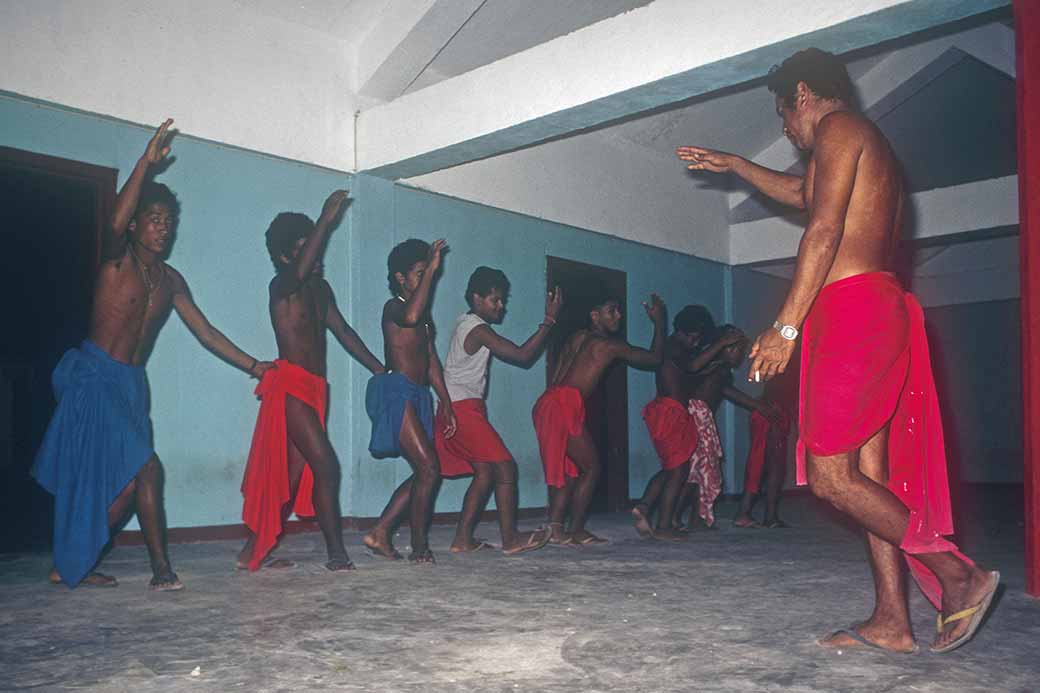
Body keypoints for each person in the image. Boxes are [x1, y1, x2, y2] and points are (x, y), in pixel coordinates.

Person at [677, 47, 998, 654]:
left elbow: (822, 229)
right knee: (867, 475)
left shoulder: (840, 127)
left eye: (782, 117)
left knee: (829, 476)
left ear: (801, 94)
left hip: (854, 309)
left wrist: (786, 326)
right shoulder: (853, 143)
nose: (788, 132)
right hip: (868, 308)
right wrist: (738, 166)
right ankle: (892, 621)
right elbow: (804, 194)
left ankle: (961, 576)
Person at [33, 119, 273, 590]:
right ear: (138, 223)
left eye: (170, 222)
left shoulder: (171, 281)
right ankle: (162, 569)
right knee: (149, 467)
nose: (164, 229)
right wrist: (145, 165)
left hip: (129, 387)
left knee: (125, 488)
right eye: (156, 219)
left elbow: (205, 332)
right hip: (93, 378)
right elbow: (113, 223)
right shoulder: (115, 261)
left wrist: (254, 364)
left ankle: (70, 563)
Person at [237, 191, 385, 572]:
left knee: (289, 475)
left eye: (316, 249)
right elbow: (299, 271)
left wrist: (379, 368)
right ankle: (336, 553)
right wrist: (325, 221)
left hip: (317, 390)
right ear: (286, 257)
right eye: (305, 250)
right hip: (290, 388)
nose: (315, 258)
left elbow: (344, 332)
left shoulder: (321, 290)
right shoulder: (282, 287)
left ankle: (251, 551)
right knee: (327, 466)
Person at [435, 267, 562, 555]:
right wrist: (549, 320)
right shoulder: (477, 329)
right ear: (477, 298)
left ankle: (462, 539)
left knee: (485, 473)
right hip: (461, 407)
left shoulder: (466, 323)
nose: (501, 306)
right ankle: (510, 539)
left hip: (464, 405)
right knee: (505, 467)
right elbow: (522, 355)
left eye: (503, 300)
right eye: (495, 300)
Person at [533, 290, 666, 546]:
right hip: (563, 404)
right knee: (592, 467)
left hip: (547, 402)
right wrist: (659, 322)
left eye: (618, 310)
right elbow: (655, 359)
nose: (619, 315)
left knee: (569, 470)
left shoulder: (576, 337)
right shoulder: (609, 346)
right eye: (611, 310)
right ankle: (577, 530)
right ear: (595, 316)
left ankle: (557, 529)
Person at [363, 239, 455, 564]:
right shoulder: (395, 307)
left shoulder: (425, 317)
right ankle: (419, 546)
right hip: (396, 391)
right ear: (401, 278)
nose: (425, 277)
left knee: (424, 470)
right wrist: (432, 269)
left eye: (425, 271)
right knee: (429, 468)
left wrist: (445, 400)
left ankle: (381, 532)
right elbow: (412, 315)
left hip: (419, 394)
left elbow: (430, 360)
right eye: (418, 273)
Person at [672, 326, 774, 530]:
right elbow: (711, 382)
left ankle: (696, 517)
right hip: (696, 416)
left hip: (703, 417)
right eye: (738, 350)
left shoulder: (721, 371)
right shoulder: (714, 367)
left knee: (704, 470)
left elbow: (726, 391)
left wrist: (757, 405)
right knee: (695, 471)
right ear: (726, 348)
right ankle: (673, 516)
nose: (742, 356)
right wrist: (758, 405)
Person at [631, 305, 714, 541]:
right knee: (679, 471)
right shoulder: (674, 347)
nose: (697, 344)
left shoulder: (674, 347)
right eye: (695, 338)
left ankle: (645, 506)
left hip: (667, 411)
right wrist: (719, 346)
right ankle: (664, 525)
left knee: (672, 467)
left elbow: (689, 374)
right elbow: (692, 366)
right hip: (671, 412)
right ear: (684, 332)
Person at [734, 367, 795, 529]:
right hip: (773, 411)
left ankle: (753, 513)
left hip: (769, 410)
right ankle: (764, 515)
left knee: (760, 463)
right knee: (771, 466)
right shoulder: (793, 365)